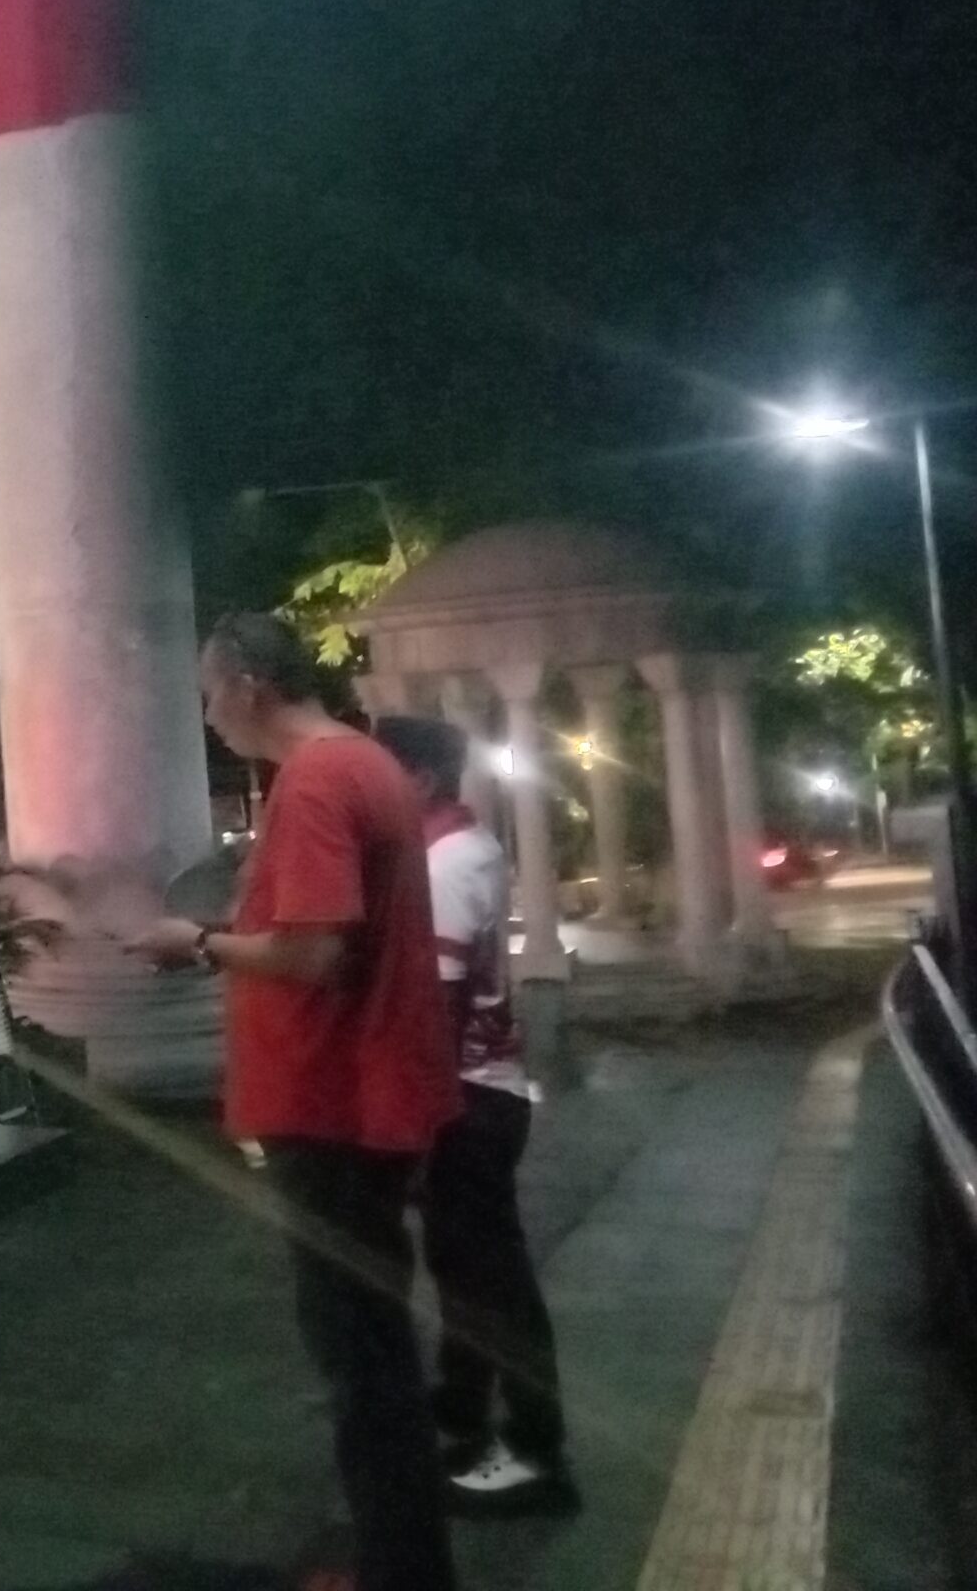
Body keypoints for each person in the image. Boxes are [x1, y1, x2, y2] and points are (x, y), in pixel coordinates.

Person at [131, 613, 462, 1591]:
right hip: (369, 1096)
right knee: (376, 1348)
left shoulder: (316, 781)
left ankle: (402, 1572)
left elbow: (316, 953)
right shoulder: (361, 762)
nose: (206, 715)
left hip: (334, 1107)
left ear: (244, 684)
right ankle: (401, 1560)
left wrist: (193, 942)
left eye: (206, 692)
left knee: (359, 1365)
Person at [372, 717, 576, 1518]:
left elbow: (439, 1007)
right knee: (470, 1278)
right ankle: (463, 1412)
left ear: (419, 780)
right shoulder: (463, 850)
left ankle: (533, 1452)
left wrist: (418, 1119)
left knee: (492, 1285)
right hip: (479, 1094)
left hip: (465, 1100)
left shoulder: (448, 865)